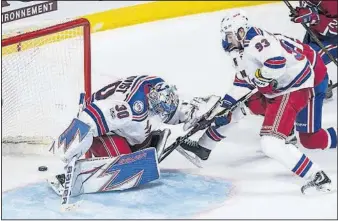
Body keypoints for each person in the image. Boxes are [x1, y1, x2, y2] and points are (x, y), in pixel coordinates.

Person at [180, 10, 335, 194]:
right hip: (278, 88)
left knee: (273, 143)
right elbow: (242, 83)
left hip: (293, 89)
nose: (227, 41)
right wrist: (220, 108)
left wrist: (262, 76)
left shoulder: (256, 42)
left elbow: (276, 63)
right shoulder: (241, 50)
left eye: (229, 36)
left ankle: (318, 177)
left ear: (240, 32)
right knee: (235, 109)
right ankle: (203, 148)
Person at [48, 75, 220, 195]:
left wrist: (189, 113)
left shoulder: (156, 87)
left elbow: (168, 110)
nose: (164, 113)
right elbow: (89, 117)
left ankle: (140, 144)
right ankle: (98, 164)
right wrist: (71, 146)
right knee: (126, 162)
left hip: (120, 123)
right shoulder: (130, 109)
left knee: (140, 135)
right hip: (103, 129)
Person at [289, 0, 337, 99]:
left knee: (309, 61)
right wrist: (306, 12)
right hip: (317, 34)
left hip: (334, 40)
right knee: (297, 57)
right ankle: (319, 85)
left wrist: (316, 18)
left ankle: (320, 90)